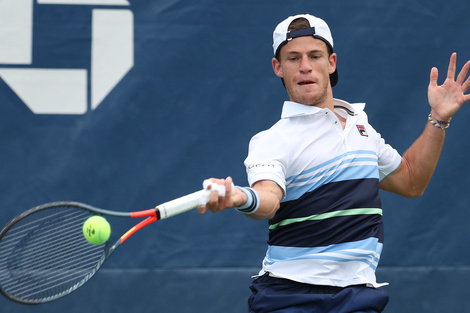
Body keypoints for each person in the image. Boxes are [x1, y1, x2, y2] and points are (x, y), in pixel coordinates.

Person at [197, 14, 470, 313]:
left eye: (314, 56)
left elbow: (412, 181)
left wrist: (439, 118)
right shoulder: (272, 140)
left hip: (357, 296)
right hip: (289, 298)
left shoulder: (362, 128)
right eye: (293, 58)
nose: (304, 66)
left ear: (331, 63)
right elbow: (268, 200)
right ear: (278, 68)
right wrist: (240, 197)